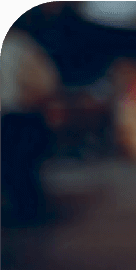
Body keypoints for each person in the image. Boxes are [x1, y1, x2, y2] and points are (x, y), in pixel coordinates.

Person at [1, 24, 59, 224]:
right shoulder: (19, 45)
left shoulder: (18, 46)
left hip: (20, 118)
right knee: (14, 169)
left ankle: (28, 213)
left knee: (19, 168)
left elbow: (46, 83)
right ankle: (25, 211)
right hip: (15, 117)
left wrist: (29, 97)